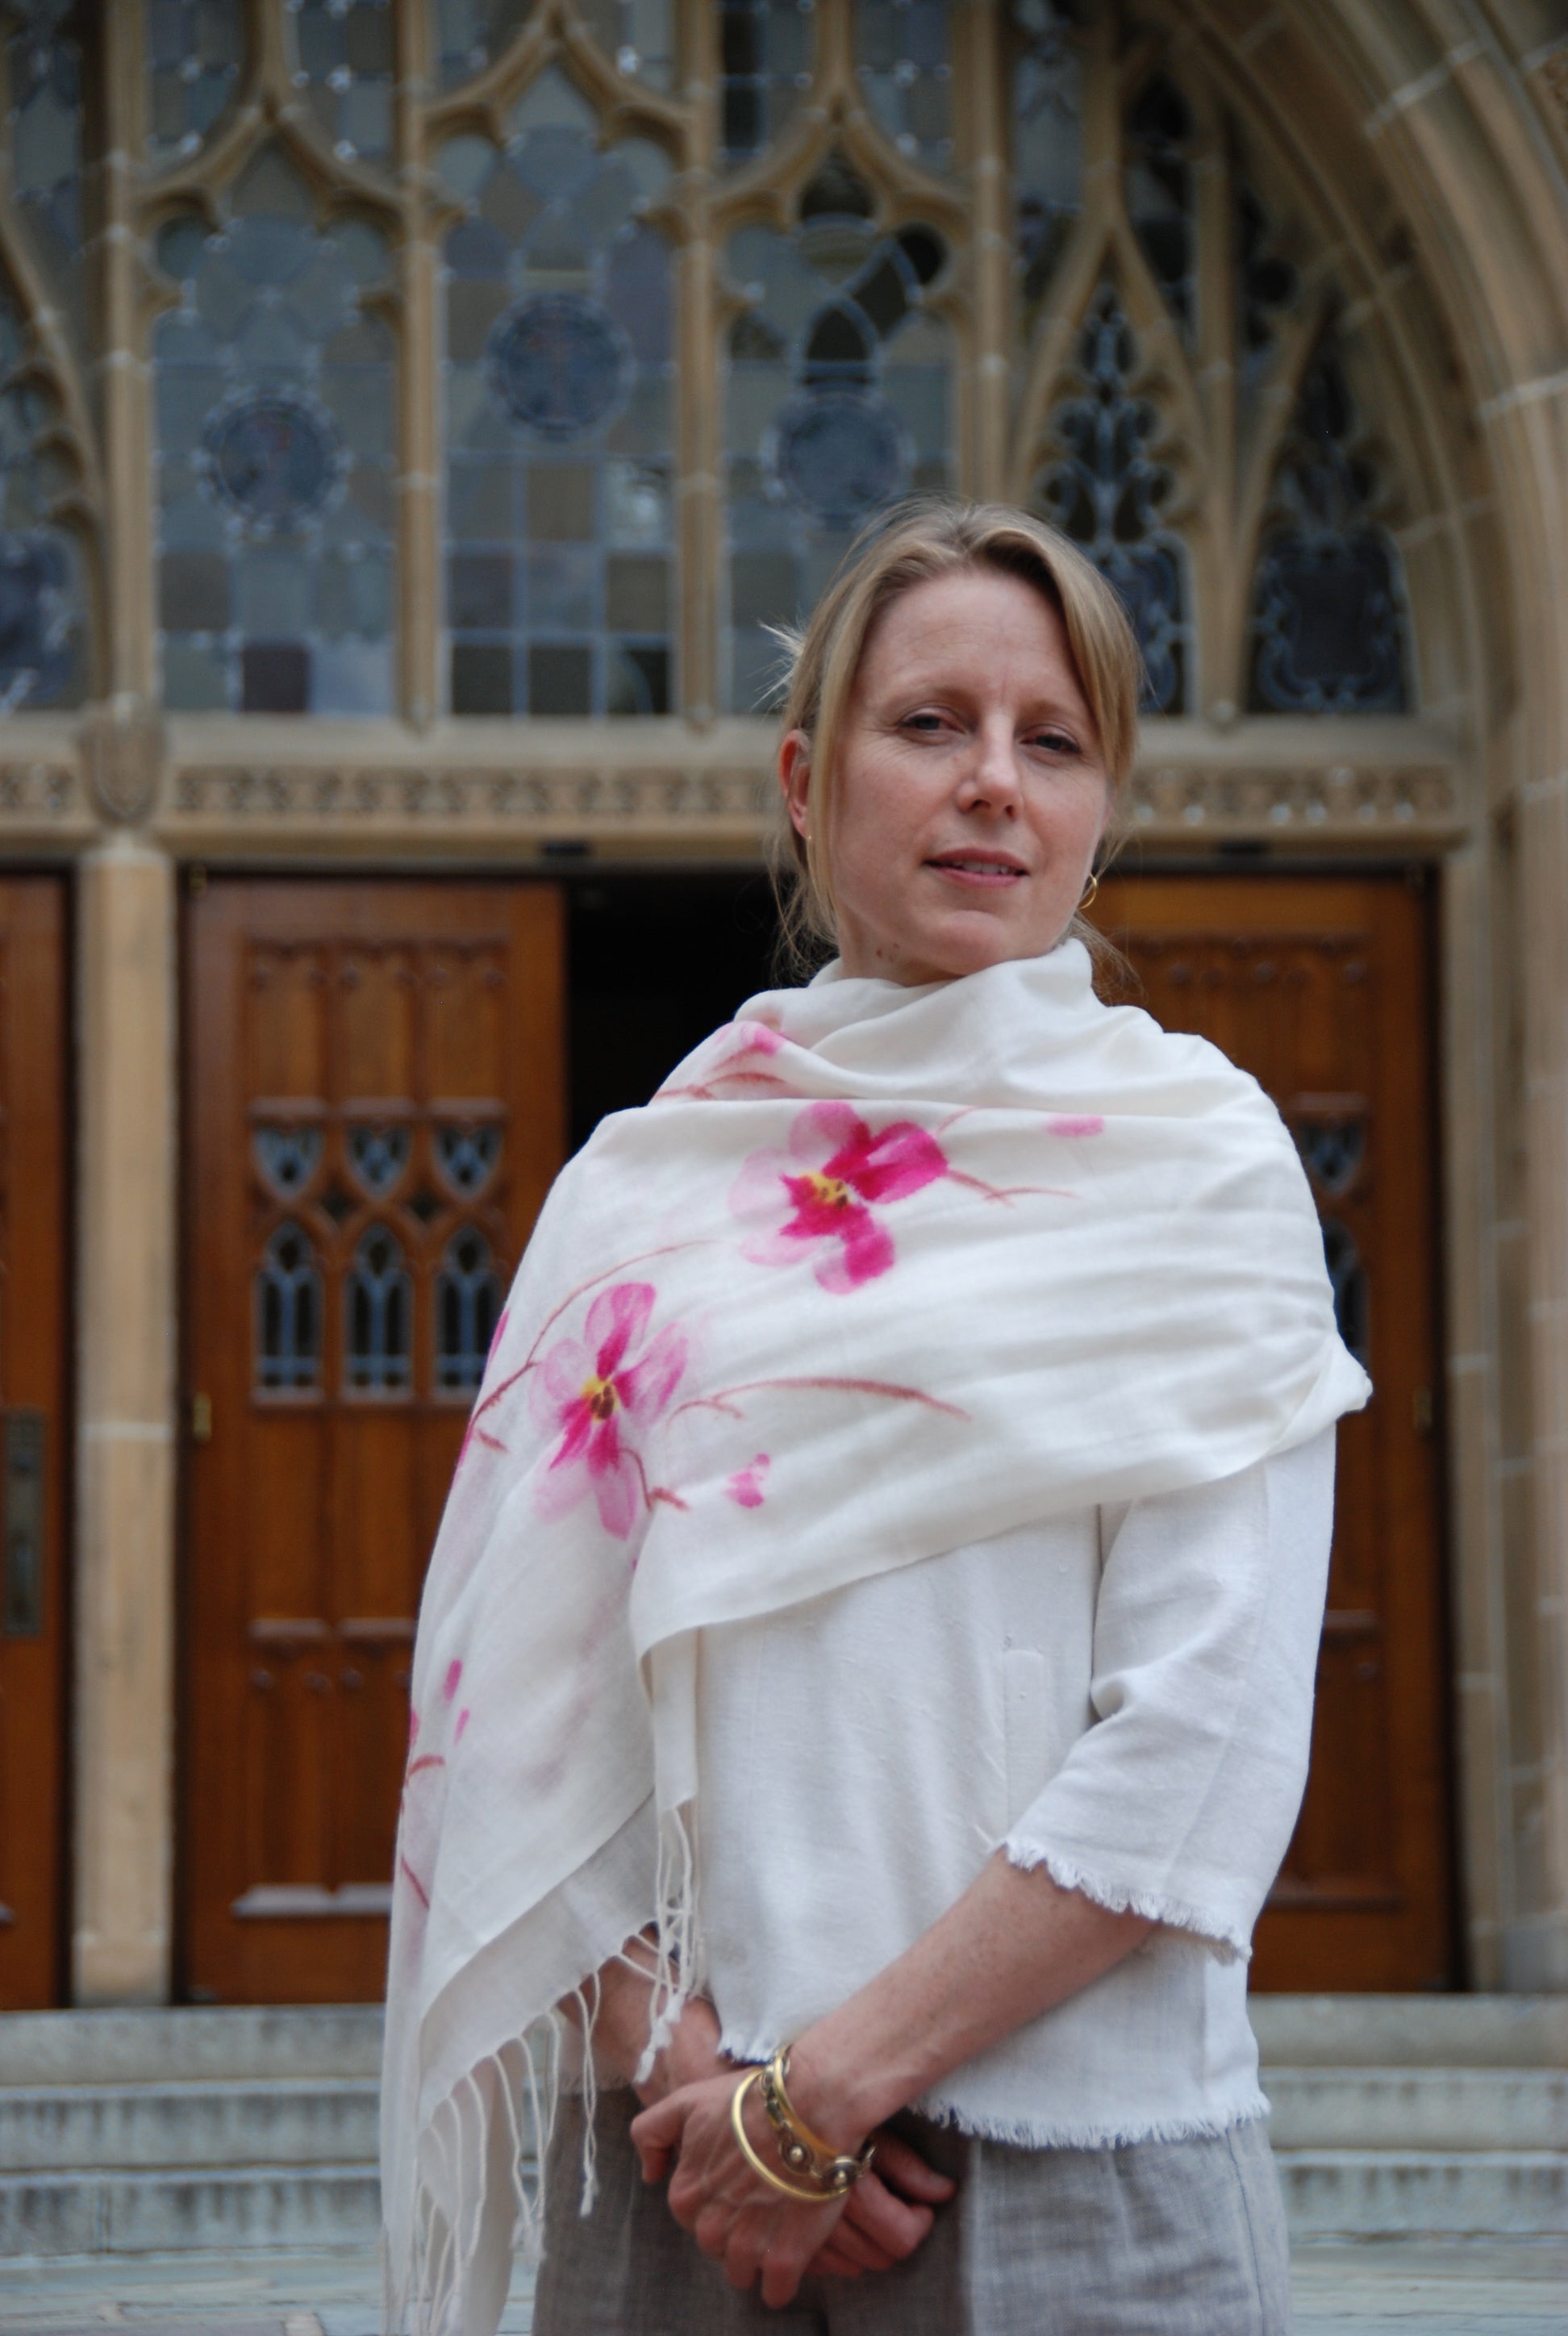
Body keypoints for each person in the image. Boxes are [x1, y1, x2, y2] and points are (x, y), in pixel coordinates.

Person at [382, 499, 1369, 2336]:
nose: (993, 779)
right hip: (673, 2176)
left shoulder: (1196, 1165)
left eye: (1052, 740)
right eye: (929, 723)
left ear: (1100, 807)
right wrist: (705, 2082)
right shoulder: (644, 1195)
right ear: (804, 779)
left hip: (1078, 2173)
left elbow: (1208, 1735)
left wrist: (817, 2099)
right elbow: (513, 1713)